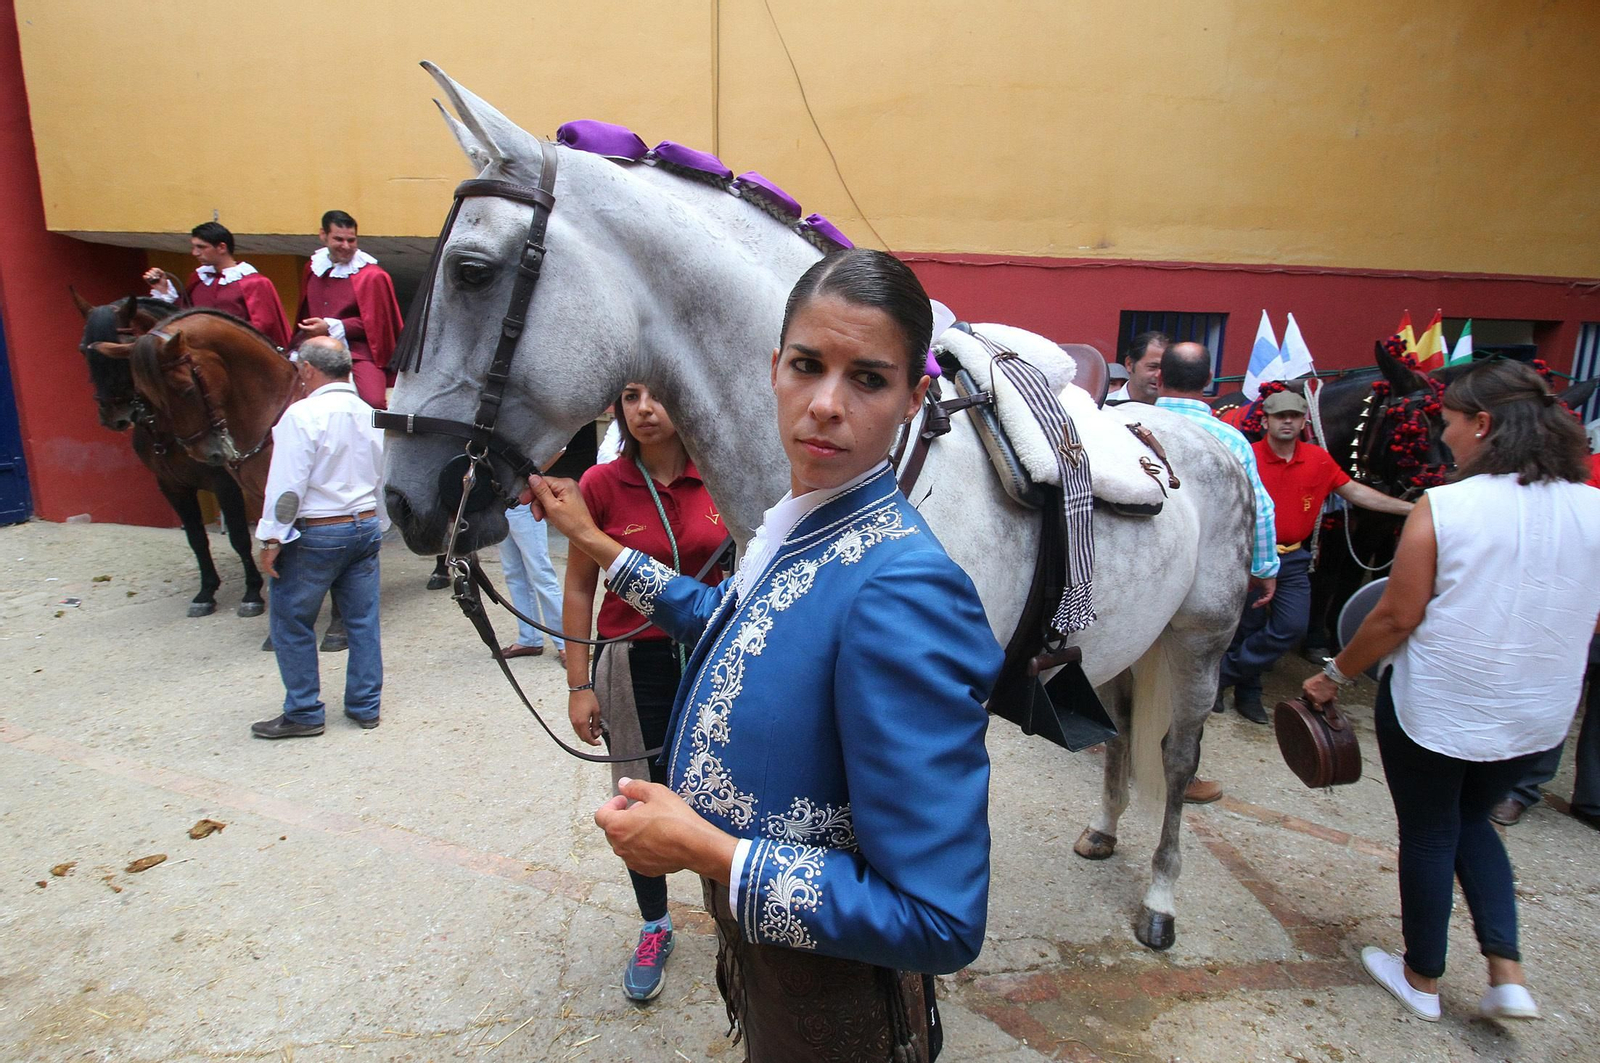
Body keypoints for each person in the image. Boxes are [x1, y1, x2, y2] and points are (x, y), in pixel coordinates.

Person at [529, 249, 1003, 1061]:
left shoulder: (905, 587)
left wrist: (707, 850)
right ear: (772, 368)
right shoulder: (807, 519)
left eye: (869, 379)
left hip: (842, 1010)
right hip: (775, 977)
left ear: (913, 400)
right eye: (808, 365)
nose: (825, 404)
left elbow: (941, 920)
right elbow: (738, 621)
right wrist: (603, 548)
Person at [1303, 359, 1600, 1024]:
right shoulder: (1594, 505)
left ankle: (1421, 978)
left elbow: (1395, 615)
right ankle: (1506, 972)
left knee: (1432, 831)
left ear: (1485, 424)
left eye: (1450, 423)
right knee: (1474, 821)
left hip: (1442, 703)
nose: (1445, 437)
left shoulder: (1448, 505)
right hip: (1538, 711)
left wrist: (1334, 674)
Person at [561, 381, 725, 1002]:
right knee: (635, 795)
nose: (645, 409)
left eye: (658, 395)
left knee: (724, 788)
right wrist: (579, 684)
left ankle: (731, 909)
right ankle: (655, 923)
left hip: (712, 658)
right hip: (632, 663)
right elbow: (579, 589)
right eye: (631, 396)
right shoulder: (600, 485)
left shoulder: (721, 473)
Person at [1218, 390, 1414, 723]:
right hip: (1250, 555)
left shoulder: (1318, 459)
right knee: (1245, 628)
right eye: (1280, 416)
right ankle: (1248, 695)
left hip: (1293, 559)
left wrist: (1413, 509)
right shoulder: (1246, 456)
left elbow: (1354, 492)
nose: (1288, 422)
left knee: (1290, 628)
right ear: (1265, 420)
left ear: (1304, 420)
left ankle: (1222, 676)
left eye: (1294, 416)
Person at [1154, 341, 1278, 804]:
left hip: (1142, 576)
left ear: (1159, 377)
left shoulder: (1122, 420)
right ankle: (1182, 772)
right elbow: (1258, 510)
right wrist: (1265, 567)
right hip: (1196, 576)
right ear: (1209, 383)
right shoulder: (1228, 439)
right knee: (1195, 670)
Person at [251, 337, 387, 739]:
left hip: (318, 530)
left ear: (308, 370)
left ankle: (304, 710)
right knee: (362, 620)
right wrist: (377, 523)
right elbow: (380, 476)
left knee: (291, 621)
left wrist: (272, 538)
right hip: (363, 524)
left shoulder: (302, 415)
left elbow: (287, 486)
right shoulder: (369, 413)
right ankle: (365, 705)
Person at [294, 210, 406, 410]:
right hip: (317, 350)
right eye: (338, 239)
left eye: (351, 240)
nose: (346, 246)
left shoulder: (372, 276)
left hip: (359, 353)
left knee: (372, 401)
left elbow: (381, 325)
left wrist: (332, 326)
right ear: (323, 236)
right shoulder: (312, 269)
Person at [144, 222, 291, 347]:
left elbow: (263, 327)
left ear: (221, 247)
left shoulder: (254, 283)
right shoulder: (199, 279)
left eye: (201, 247)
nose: (194, 253)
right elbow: (184, 315)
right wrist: (163, 289)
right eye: (194, 247)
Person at [495, 500, 568, 665]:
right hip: (498, 502)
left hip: (522, 502)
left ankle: (566, 642)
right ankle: (529, 637)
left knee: (541, 573)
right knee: (513, 572)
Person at [1105, 330, 1168, 404]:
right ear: (1129, 364)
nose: (1159, 375)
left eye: (1165, 368)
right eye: (1153, 367)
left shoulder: (1174, 410)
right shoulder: (1101, 407)